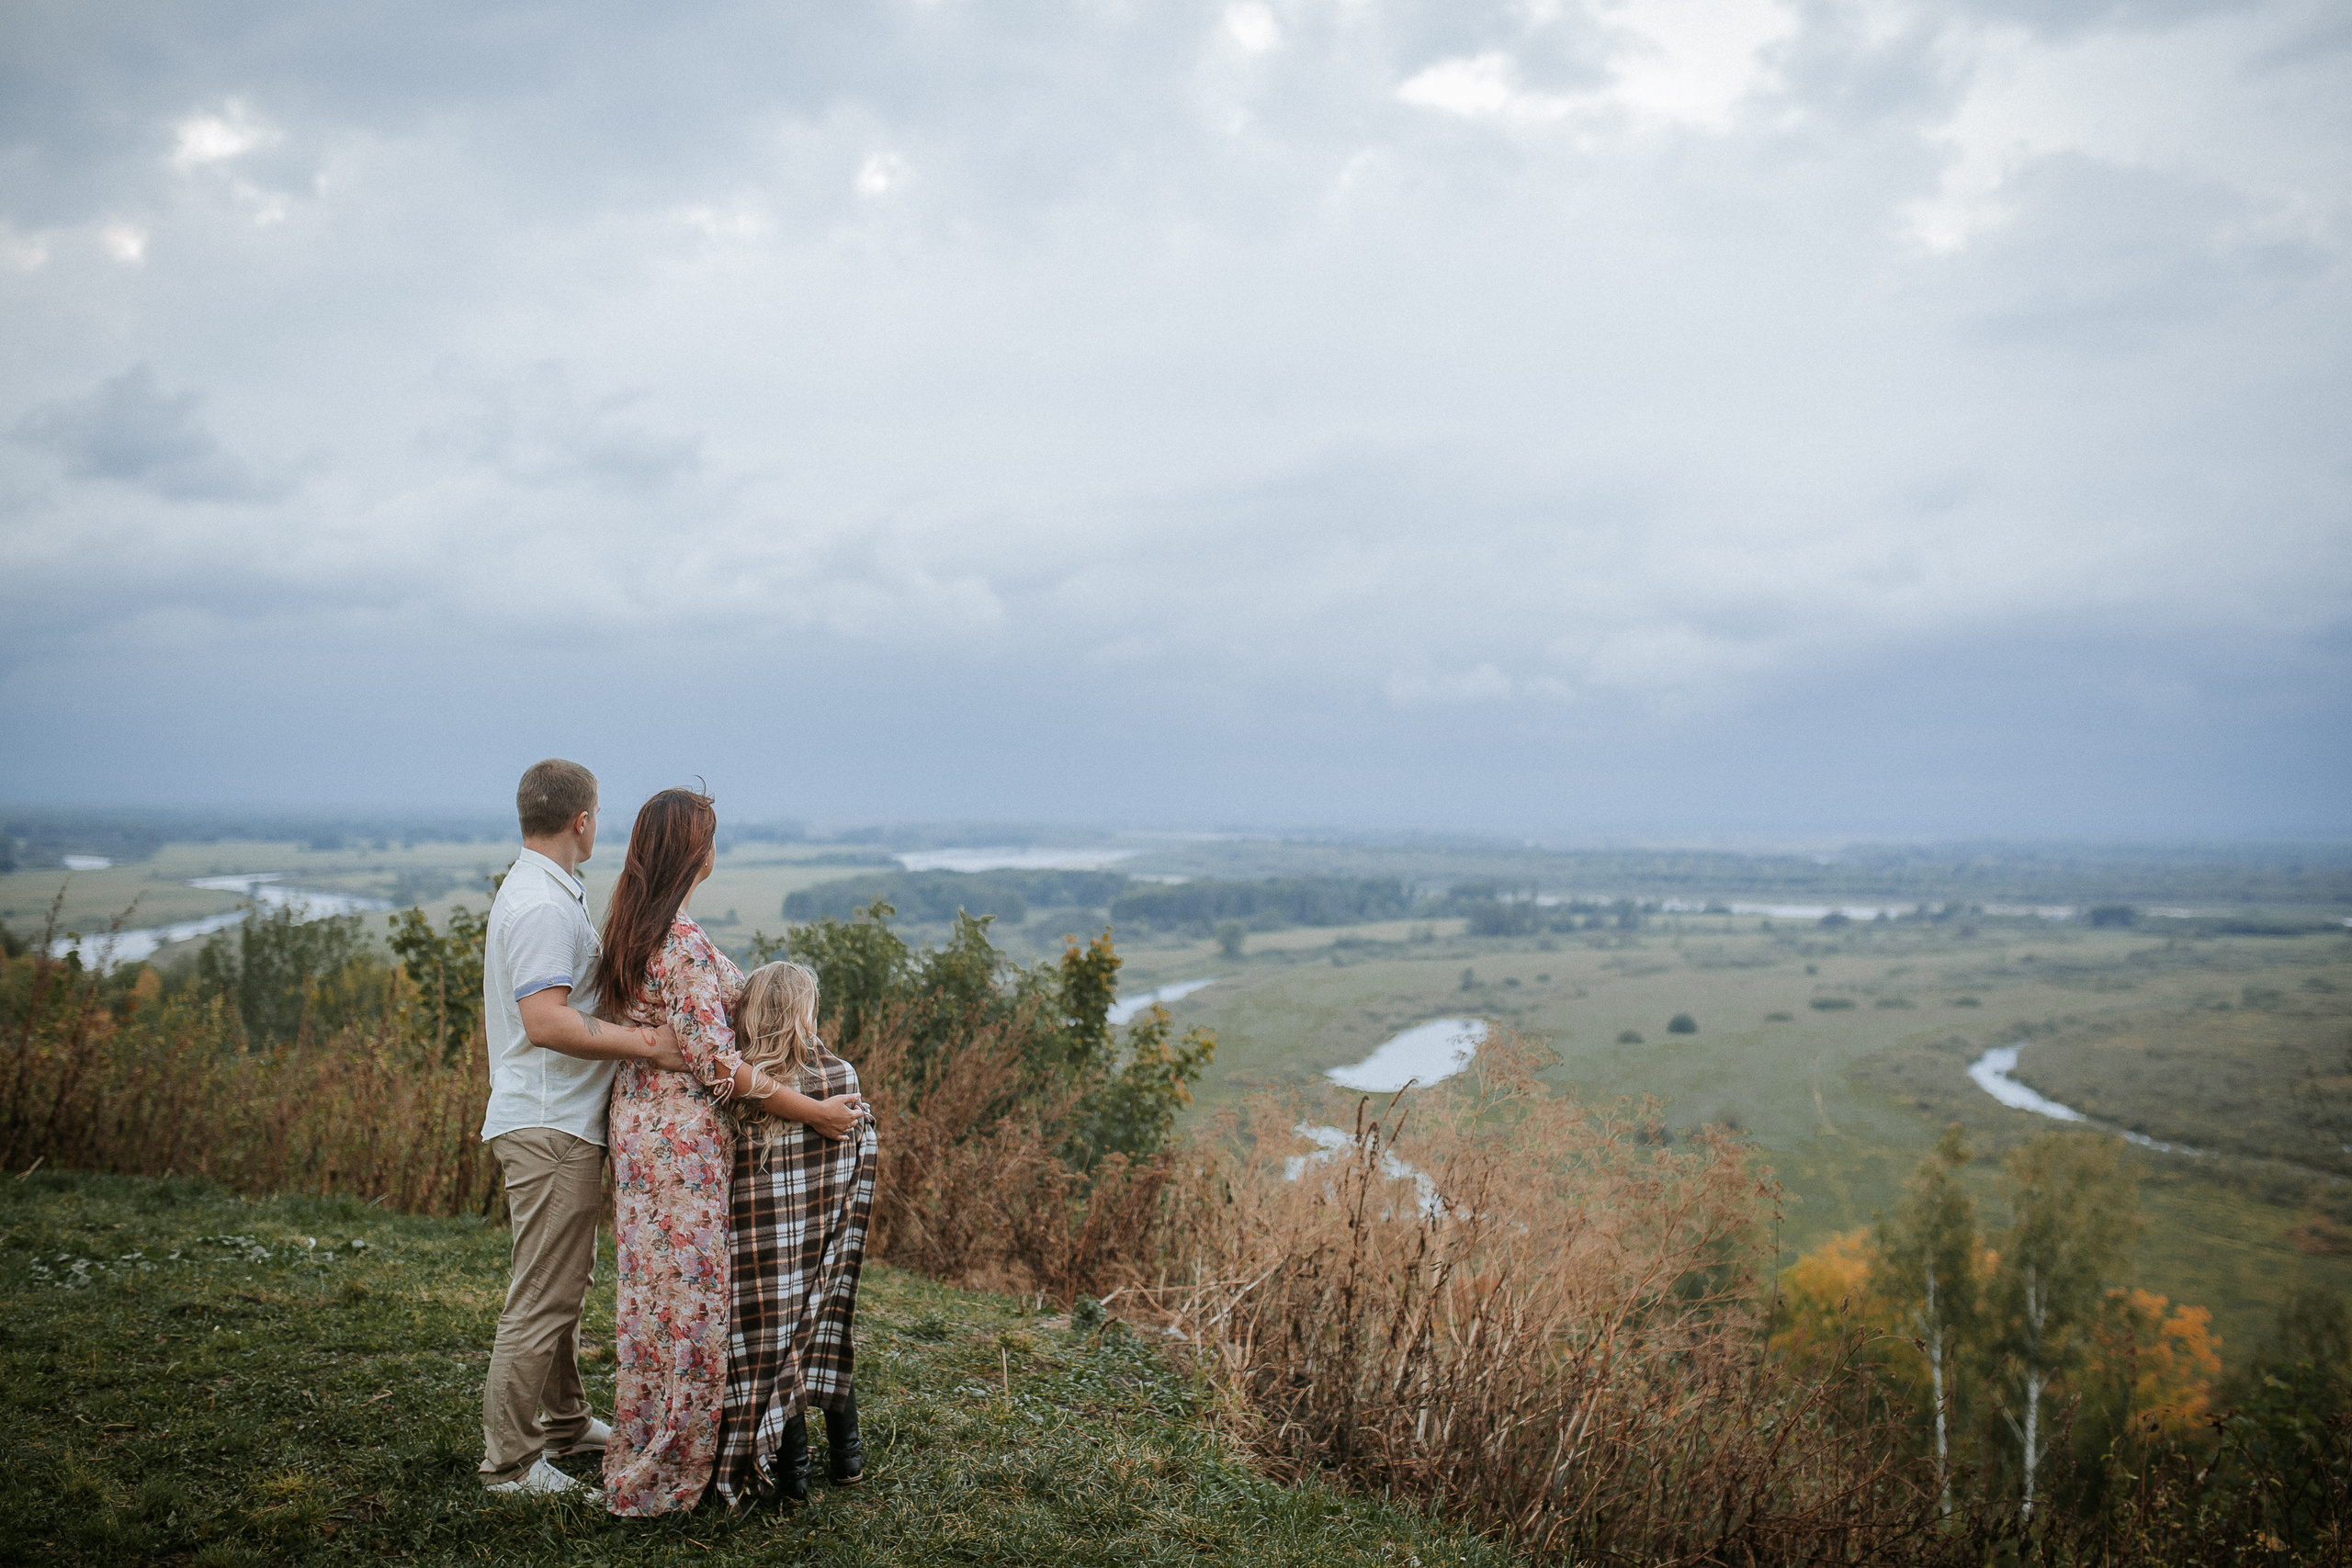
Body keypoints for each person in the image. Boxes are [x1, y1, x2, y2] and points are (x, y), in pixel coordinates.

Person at [598, 787, 866, 1516]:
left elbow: (724, 1014)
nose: (716, 849)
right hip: (677, 1140)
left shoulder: (650, 926)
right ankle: (672, 1471)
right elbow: (718, 1065)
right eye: (709, 837)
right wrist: (813, 1107)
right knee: (687, 1303)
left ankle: (665, 1442)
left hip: (654, 1128)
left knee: (659, 1300)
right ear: (694, 853)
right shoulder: (679, 944)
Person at [478, 758, 689, 1498]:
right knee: (543, 1295)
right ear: (583, 820)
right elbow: (544, 1020)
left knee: (564, 1284)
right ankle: (509, 1463)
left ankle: (564, 1423)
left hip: (559, 1120)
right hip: (548, 1123)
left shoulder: (547, 890)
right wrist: (647, 1044)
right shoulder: (539, 903)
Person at [713, 962, 877, 1506]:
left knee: (773, 1346)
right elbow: (853, 1153)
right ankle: (848, 1457)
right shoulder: (840, 1078)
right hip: (823, 1237)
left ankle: (793, 1478)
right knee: (825, 1329)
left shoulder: (740, 1089)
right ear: (804, 1012)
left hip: (762, 1249)